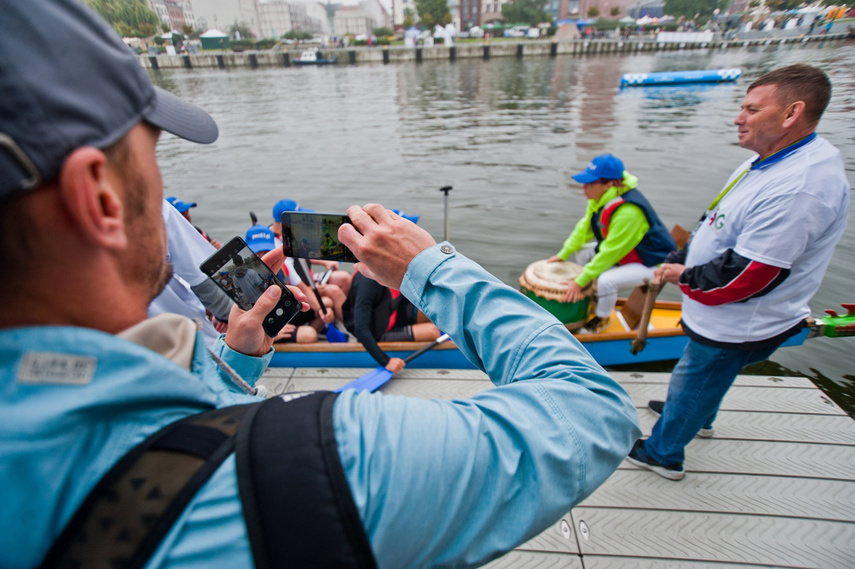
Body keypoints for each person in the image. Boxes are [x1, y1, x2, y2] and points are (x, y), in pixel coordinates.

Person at [0, 2, 639, 568]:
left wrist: (234, 365)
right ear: (99, 200)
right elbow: (589, 411)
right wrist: (430, 266)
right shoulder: (329, 462)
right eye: (153, 158)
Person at [628, 64, 850, 481]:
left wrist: (683, 276)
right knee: (700, 375)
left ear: (791, 114)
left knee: (699, 373)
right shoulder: (767, 160)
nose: (738, 117)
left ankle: (663, 453)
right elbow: (715, 221)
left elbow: (750, 276)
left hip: (737, 321)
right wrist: (683, 255)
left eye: (751, 108)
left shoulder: (801, 185)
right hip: (717, 313)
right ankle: (696, 412)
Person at [549, 153, 676, 333]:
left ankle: (602, 319)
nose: (584, 188)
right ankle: (592, 298)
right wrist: (563, 254)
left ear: (609, 184)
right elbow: (584, 228)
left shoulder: (629, 212)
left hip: (653, 262)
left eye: (590, 183)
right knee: (583, 254)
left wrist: (579, 281)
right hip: (630, 253)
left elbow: (610, 252)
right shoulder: (599, 198)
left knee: (606, 281)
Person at [149, 199, 233, 347]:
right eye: (183, 212)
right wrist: (230, 316)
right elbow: (206, 280)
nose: (187, 215)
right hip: (188, 345)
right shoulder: (155, 207)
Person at [343, 268, 441, 372]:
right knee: (432, 331)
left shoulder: (388, 269)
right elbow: (360, 328)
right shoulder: (366, 283)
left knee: (434, 307)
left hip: (392, 315)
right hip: (378, 333)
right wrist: (386, 361)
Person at [245, 222, 320, 344]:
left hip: (279, 316)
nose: (262, 256)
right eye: (257, 252)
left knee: (325, 305)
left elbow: (304, 289)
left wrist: (321, 310)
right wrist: (267, 331)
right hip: (256, 329)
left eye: (266, 251)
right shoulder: (240, 278)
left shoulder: (283, 266)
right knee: (309, 335)